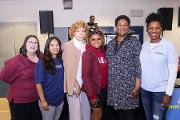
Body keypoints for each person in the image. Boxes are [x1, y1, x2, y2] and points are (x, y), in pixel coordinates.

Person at [140, 13, 179, 120]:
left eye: (157, 28)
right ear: (147, 29)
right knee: (148, 117)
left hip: (161, 92)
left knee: (158, 118)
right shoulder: (144, 46)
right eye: (151, 28)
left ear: (161, 29)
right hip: (145, 91)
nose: (154, 31)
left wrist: (168, 94)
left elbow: (173, 72)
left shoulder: (168, 46)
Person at [106, 15, 141, 120]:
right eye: (120, 25)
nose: (122, 27)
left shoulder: (134, 42)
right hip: (113, 87)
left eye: (125, 25)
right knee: (115, 115)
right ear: (116, 26)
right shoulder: (111, 43)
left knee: (128, 115)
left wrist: (137, 85)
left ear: (129, 27)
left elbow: (138, 64)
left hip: (128, 87)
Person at [0, 35, 42, 120]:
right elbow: (3, 76)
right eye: (30, 42)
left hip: (35, 99)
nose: (33, 44)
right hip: (19, 101)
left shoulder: (41, 57)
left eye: (35, 43)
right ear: (25, 45)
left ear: (38, 46)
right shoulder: (17, 60)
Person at [62, 20, 91, 120]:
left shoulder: (85, 46)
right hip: (73, 85)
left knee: (85, 113)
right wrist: (76, 85)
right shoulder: (68, 45)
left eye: (83, 31)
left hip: (84, 86)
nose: (80, 33)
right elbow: (67, 68)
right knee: (76, 116)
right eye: (78, 31)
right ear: (73, 32)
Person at [35, 36, 65, 120]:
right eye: (52, 45)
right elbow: (38, 83)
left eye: (57, 45)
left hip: (59, 100)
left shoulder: (61, 60)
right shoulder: (42, 63)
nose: (55, 47)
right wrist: (43, 101)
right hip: (48, 101)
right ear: (47, 47)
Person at [82, 30, 108, 120]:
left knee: (99, 112)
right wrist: (92, 96)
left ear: (102, 40)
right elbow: (85, 76)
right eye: (93, 39)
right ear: (89, 40)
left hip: (103, 88)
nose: (96, 41)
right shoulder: (87, 53)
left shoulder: (102, 52)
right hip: (95, 90)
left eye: (99, 39)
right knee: (96, 112)